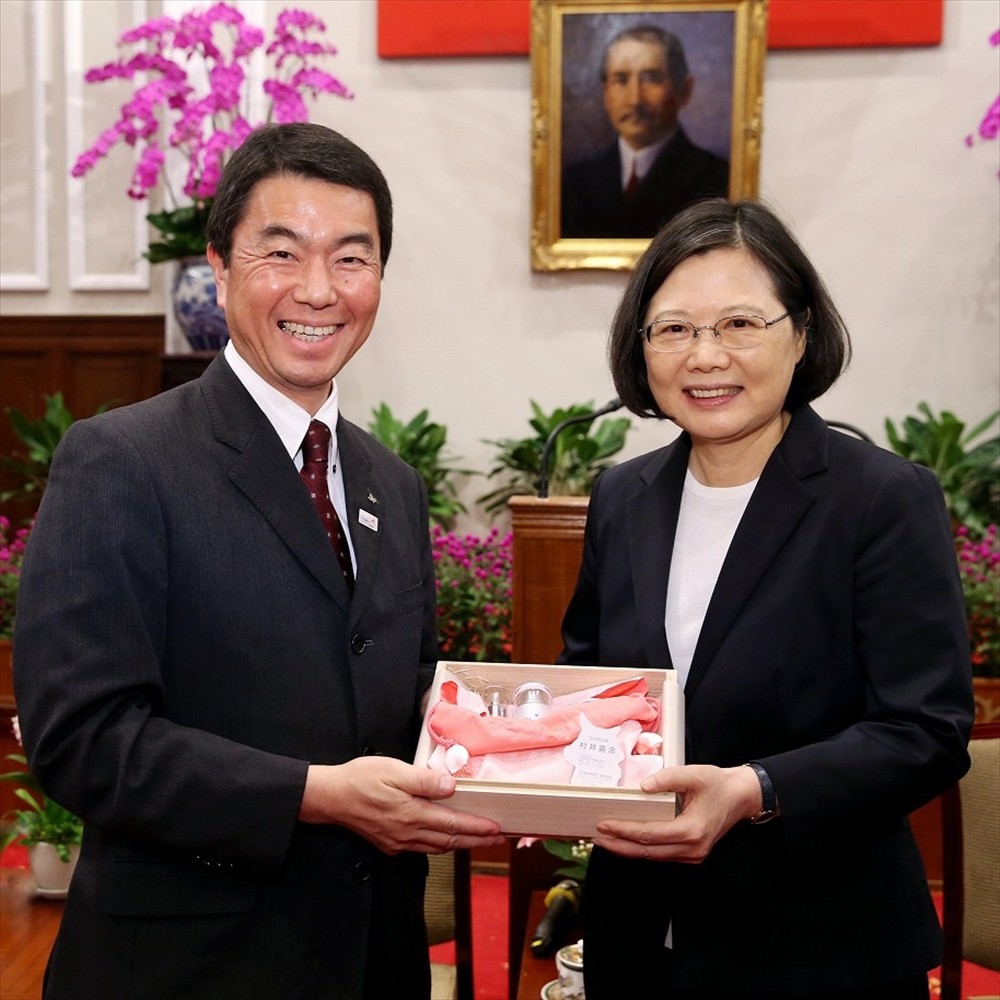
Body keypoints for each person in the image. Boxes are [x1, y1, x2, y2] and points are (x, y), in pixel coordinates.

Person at [12, 122, 505, 1000]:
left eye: (352, 259)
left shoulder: (391, 480)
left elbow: (405, 692)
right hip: (191, 967)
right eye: (282, 252)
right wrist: (313, 794)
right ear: (221, 264)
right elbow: (82, 740)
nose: (319, 289)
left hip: (369, 961)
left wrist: (524, 753)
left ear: (381, 277)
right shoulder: (122, 461)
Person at [558, 198, 975, 998]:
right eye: (674, 328)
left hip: (818, 946)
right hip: (638, 942)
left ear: (802, 334)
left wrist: (755, 789)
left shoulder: (881, 499)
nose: (705, 355)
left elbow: (925, 730)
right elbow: (596, 687)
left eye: (740, 323)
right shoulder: (622, 496)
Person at [561, 25, 730, 240]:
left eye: (651, 79)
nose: (635, 99)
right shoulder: (575, 182)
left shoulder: (717, 179)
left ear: (684, 90)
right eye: (621, 80)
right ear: (605, 94)